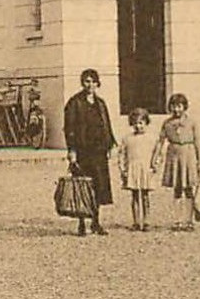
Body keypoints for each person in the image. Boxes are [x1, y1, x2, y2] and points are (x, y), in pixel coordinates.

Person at [63, 68, 116, 236]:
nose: (90, 85)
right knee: (82, 186)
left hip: (99, 151)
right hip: (83, 150)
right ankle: (81, 223)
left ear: (97, 83)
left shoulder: (100, 103)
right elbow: (69, 128)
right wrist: (72, 150)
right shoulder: (74, 102)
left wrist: (109, 145)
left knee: (98, 186)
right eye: (87, 81)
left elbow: (106, 124)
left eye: (93, 81)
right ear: (82, 83)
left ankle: (96, 221)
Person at [152, 92, 200, 230]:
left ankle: (189, 220)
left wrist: (199, 161)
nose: (177, 109)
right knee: (177, 189)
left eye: (179, 106)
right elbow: (160, 141)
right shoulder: (167, 123)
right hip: (174, 156)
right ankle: (178, 220)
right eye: (174, 106)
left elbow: (197, 142)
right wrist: (155, 158)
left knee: (189, 189)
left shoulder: (191, 122)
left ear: (184, 107)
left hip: (188, 155)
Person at [118, 107, 160, 231]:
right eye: (135, 123)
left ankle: (146, 221)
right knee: (135, 196)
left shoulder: (152, 138)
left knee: (145, 196)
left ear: (146, 123)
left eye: (141, 123)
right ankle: (136, 221)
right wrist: (123, 169)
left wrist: (155, 166)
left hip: (146, 169)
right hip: (133, 169)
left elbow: (157, 153)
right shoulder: (127, 139)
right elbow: (122, 154)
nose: (138, 126)